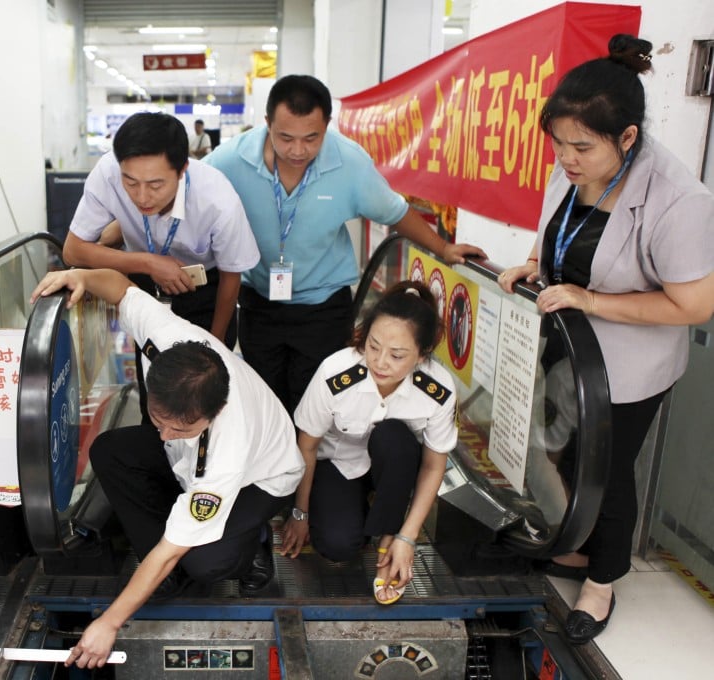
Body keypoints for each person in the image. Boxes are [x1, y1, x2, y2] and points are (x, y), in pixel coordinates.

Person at [497, 34, 714, 645]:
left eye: (581, 147)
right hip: (567, 344)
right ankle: (571, 545)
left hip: (629, 364)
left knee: (609, 469)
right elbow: (562, 235)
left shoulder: (678, 199)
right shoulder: (573, 166)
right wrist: (534, 263)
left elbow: (695, 304)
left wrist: (592, 301)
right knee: (562, 451)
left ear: (627, 139)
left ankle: (603, 578)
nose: (566, 158)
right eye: (559, 143)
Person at [30, 269, 304, 670]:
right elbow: (121, 288)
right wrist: (79, 275)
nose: (166, 434)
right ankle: (166, 578)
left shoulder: (229, 443)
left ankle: (254, 545)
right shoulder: (166, 337)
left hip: (261, 477)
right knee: (111, 450)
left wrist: (109, 622)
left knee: (205, 561)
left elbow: (172, 550)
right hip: (191, 463)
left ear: (214, 412)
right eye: (160, 420)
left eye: (181, 428)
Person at [205, 74, 486, 415]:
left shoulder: (350, 163)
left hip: (323, 306)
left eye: (312, 138)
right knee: (265, 401)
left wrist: (442, 249)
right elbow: (191, 192)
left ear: (327, 125)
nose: (298, 150)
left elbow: (395, 212)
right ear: (267, 124)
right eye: (286, 138)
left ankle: (309, 466)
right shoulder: (231, 161)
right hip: (259, 302)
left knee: (316, 405)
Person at [282, 282, 457, 605]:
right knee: (337, 546)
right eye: (373, 347)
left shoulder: (438, 388)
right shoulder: (336, 372)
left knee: (394, 437)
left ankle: (390, 536)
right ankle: (364, 512)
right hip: (339, 464)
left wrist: (408, 536)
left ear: (422, 354)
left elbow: (434, 465)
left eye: (397, 355)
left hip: (395, 469)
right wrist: (300, 512)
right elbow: (306, 445)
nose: (380, 362)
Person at [63, 111, 258, 348]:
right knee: (152, 369)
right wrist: (149, 263)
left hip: (204, 289)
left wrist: (215, 345)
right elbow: (73, 250)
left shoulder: (217, 199)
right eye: (131, 182)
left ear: (182, 169)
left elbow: (231, 276)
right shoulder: (108, 173)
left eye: (156, 185)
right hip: (142, 282)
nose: (142, 197)